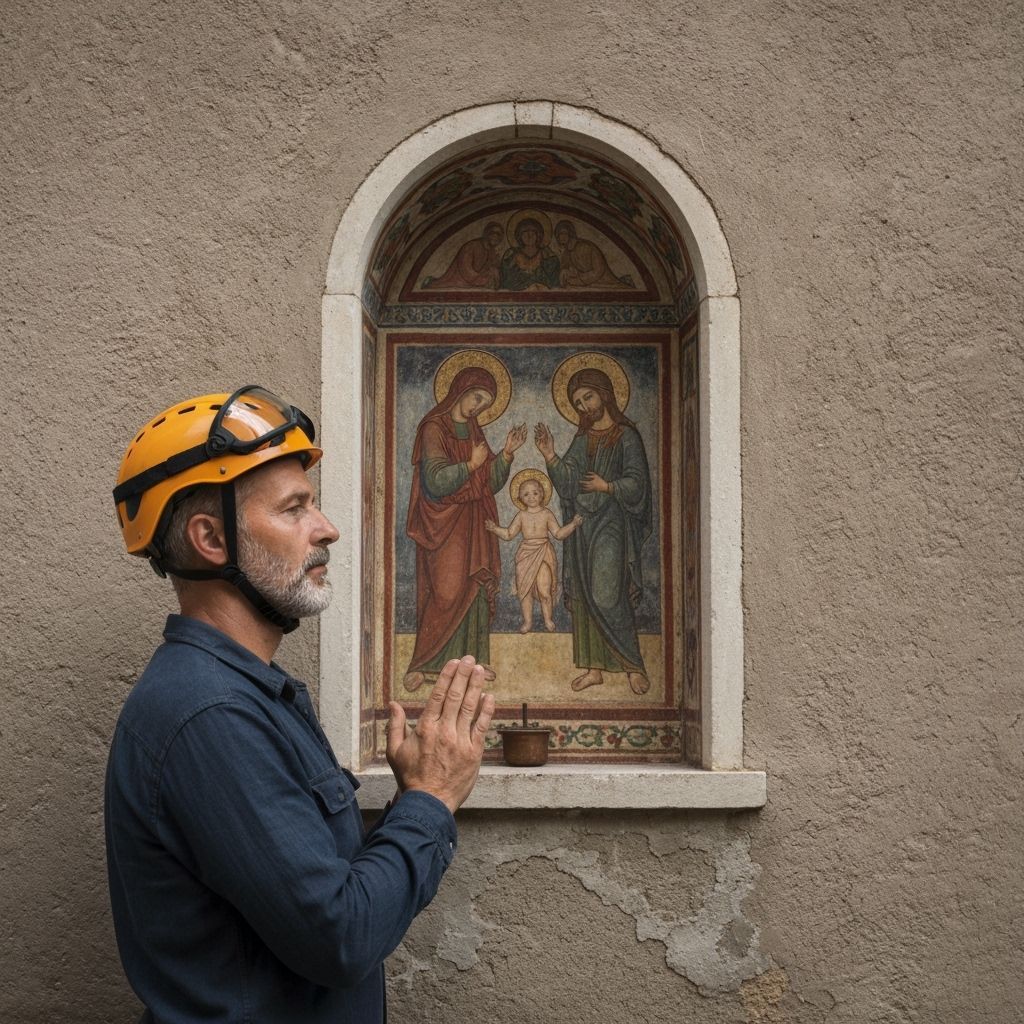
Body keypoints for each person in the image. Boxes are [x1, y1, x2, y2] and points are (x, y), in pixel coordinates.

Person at [106, 385, 495, 1024]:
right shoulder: (210, 717)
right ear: (211, 538)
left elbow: (312, 883)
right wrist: (432, 801)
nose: (328, 528)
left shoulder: (250, 692)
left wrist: (411, 800)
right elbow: (340, 936)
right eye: (295, 509)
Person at [404, 367, 527, 691]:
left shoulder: (474, 431)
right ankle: (425, 663)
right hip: (443, 523)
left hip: (473, 522)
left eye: (484, 404)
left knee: (473, 588)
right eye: (476, 398)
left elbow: (487, 482)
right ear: (459, 389)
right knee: (445, 590)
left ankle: (475, 661)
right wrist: (471, 465)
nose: (477, 407)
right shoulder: (434, 427)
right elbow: (435, 481)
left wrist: (507, 454)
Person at [535, 368, 653, 694]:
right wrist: (549, 455)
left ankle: (632, 665)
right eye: (578, 402)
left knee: (606, 592)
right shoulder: (583, 439)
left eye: (588, 396)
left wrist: (608, 485)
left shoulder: (626, 436)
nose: (585, 405)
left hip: (612, 522)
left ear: (604, 393)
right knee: (586, 595)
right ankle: (593, 668)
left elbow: (638, 483)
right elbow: (569, 481)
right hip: (583, 525)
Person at [484, 473, 584, 633]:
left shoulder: (546, 514)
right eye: (526, 494)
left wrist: (573, 524)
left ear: (542, 494)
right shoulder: (521, 516)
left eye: (535, 493)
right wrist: (494, 528)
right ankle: (528, 622)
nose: (531, 497)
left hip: (544, 552)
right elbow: (509, 534)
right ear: (520, 498)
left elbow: (558, 534)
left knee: (545, 590)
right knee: (524, 591)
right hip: (525, 555)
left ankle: (548, 619)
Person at [554, 219, 634, 289]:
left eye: (564, 233)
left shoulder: (585, 247)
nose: (561, 237)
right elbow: (564, 270)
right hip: (585, 285)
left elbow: (598, 270)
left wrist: (579, 280)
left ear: (570, 233)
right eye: (559, 234)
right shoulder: (566, 253)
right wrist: (565, 274)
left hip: (604, 283)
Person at [422, 222, 503, 289]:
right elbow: (466, 270)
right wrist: (483, 280)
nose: (495, 237)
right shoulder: (471, 246)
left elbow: (491, 268)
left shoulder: (492, 251)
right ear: (486, 233)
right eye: (493, 233)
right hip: (459, 282)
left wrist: (494, 270)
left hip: (477, 283)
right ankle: (430, 282)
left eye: (499, 235)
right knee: (438, 285)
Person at [498, 216, 560, 291]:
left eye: (533, 233)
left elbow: (553, 280)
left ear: (538, 236)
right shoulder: (511, 254)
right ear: (519, 236)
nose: (529, 236)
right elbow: (506, 281)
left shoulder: (547, 254)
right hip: (516, 296)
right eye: (525, 233)